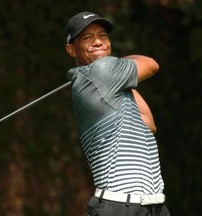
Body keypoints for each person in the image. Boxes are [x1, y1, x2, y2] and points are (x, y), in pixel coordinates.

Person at [65, 11, 170, 216]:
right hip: (119, 207)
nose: (98, 42)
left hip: (154, 207)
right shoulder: (100, 72)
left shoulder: (108, 81)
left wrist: (121, 74)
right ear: (71, 50)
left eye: (103, 36)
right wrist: (115, 64)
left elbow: (149, 123)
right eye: (87, 37)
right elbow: (151, 64)